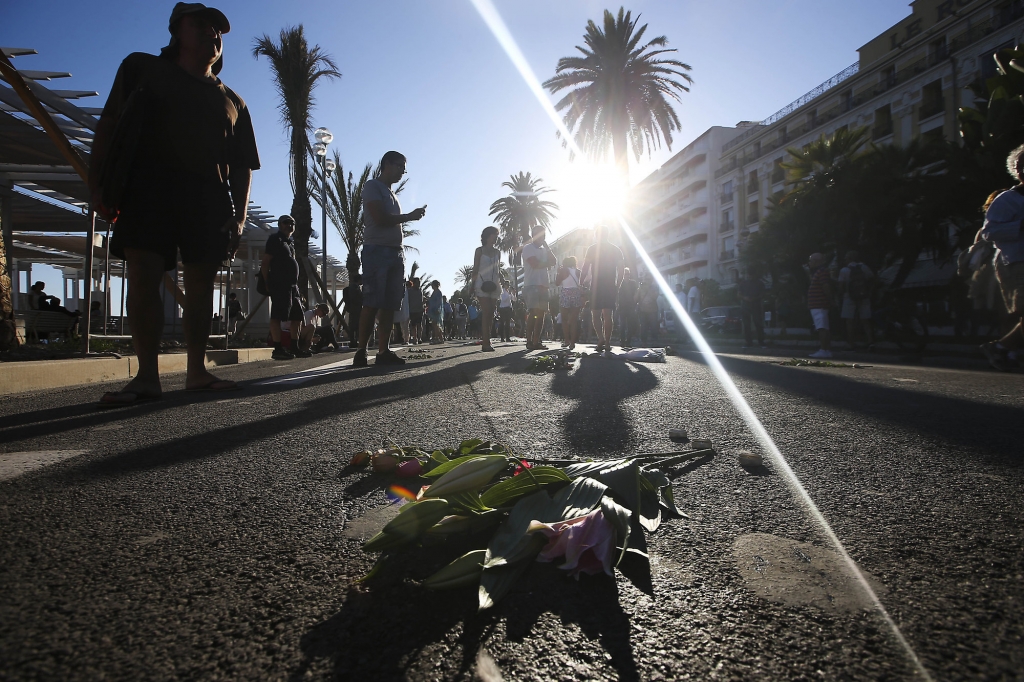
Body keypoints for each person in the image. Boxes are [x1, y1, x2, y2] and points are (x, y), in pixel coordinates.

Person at [90, 2, 259, 406]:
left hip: (207, 199)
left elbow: (243, 167)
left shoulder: (233, 100)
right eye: (200, 25)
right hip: (148, 190)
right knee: (144, 278)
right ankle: (146, 376)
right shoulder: (142, 69)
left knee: (201, 288)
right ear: (175, 31)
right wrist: (98, 186)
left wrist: (238, 218)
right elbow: (109, 125)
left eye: (217, 31)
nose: (211, 35)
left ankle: (197, 372)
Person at [354, 151, 427, 367]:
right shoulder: (372, 187)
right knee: (371, 303)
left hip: (396, 253)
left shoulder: (391, 194)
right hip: (377, 250)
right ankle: (361, 351)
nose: (401, 172)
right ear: (386, 164)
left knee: (389, 305)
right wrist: (409, 217)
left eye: (404, 169)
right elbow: (380, 218)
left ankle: (383, 351)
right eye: (399, 167)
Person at [979, 144, 1024, 369]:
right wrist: (1020, 226)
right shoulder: (1007, 199)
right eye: (1020, 165)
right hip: (1016, 262)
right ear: (1016, 170)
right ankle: (1006, 348)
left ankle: (1005, 348)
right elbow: (989, 232)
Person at [262, 215, 303, 360]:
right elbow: (266, 262)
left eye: (292, 223)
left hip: (293, 287)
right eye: (286, 223)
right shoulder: (275, 239)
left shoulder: (289, 243)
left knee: (297, 317)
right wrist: (266, 281)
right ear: (280, 225)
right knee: (277, 316)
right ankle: (278, 349)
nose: (289, 225)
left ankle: (294, 347)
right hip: (279, 285)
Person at [581, 225, 623, 353]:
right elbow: (621, 269)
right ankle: (608, 341)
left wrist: (581, 282)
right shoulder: (616, 249)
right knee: (608, 314)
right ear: (607, 235)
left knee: (595, 314)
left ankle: (600, 338)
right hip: (610, 285)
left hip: (596, 285)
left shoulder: (592, 249)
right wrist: (618, 285)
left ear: (596, 235)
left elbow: (585, 266)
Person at [521, 226, 556, 350]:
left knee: (541, 314)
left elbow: (554, 261)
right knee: (533, 312)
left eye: (544, 234)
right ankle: (529, 340)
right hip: (532, 284)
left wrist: (547, 248)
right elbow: (534, 264)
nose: (543, 237)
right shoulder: (528, 248)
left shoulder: (544, 249)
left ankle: (536, 341)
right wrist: (547, 263)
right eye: (540, 234)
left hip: (543, 285)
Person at [470, 226, 501, 351]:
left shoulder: (498, 252)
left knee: (491, 314)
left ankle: (488, 339)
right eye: (495, 235)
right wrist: (472, 285)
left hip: (494, 284)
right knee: (486, 311)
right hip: (481, 283)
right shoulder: (479, 251)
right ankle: (485, 343)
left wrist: (503, 280)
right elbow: (475, 268)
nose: (496, 238)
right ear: (488, 236)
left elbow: (498, 269)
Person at [837, 250, 874, 349]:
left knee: (849, 321)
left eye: (846, 258)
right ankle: (870, 341)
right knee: (865, 320)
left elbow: (841, 286)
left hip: (849, 297)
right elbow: (872, 279)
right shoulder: (864, 267)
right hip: (864, 296)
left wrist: (840, 295)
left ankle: (851, 342)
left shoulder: (844, 270)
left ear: (849, 259)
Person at [807, 252, 833, 359]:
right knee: (824, 327)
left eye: (810, 260)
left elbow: (825, 286)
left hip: (819, 304)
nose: (809, 263)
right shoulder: (819, 272)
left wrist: (830, 299)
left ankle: (823, 349)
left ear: (816, 261)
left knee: (821, 327)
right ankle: (826, 349)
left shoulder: (821, 271)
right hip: (818, 304)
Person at [555, 256, 583, 350]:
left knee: (564, 319)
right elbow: (582, 282)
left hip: (565, 293)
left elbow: (557, 283)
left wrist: (558, 272)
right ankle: (572, 343)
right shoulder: (578, 271)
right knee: (574, 320)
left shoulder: (563, 271)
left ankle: (566, 340)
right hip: (576, 293)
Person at [737, 271, 766, 349]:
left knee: (758, 323)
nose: (750, 276)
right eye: (749, 274)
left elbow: (763, 294)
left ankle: (761, 342)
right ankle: (748, 342)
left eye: (751, 274)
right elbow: (739, 294)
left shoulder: (760, 283)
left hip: (756, 305)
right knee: (747, 325)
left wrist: (755, 298)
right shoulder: (743, 283)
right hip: (745, 306)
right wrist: (745, 298)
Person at [342, 251, 363, 347]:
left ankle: (353, 341)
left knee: (353, 326)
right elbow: (358, 298)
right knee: (356, 325)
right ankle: (354, 341)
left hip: (352, 309)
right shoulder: (355, 288)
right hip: (356, 309)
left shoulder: (350, 288)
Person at [616, 267, 638, 346]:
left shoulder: (633, 283)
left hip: (630, 306)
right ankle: (622, 341)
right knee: (622, 325)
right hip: (622, 307)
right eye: (625, 274)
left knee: (629, 325)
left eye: (628, 274)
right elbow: (617, 295)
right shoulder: (620, 283)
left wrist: (634, 302)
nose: (627, 276)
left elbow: (636, 293)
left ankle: (628, 341)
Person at [636, 274, 661, 345]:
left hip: (652, 311)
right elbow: (635, 299)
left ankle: (654, 341)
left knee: (654, 327)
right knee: (643, 327)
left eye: (649, 279)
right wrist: (639, 289)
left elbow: (654, 297)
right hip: (642, 311)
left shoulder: (655, 287)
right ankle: (643, 341)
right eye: (646, 279)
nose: (647, 281)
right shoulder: (641, 287)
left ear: (651, 280)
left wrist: (648, 289)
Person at [393, 278, 411, 345]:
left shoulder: (406, 290)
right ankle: (404, 339)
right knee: (402, 326)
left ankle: (406, 340)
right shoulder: (400, 289)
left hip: (406, 310)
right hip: (401, 310)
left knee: (405, 326)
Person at [408, 277, 423, 344]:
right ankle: (415, 338)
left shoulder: (420, 291)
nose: (418, 284)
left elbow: (421, 300)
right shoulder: (409, 291)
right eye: (417, 283)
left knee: (419, 325)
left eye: (419, 283)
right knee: (413, 325)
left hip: (419, 310)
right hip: (412, 310)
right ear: (414, 283)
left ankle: (419, 338)